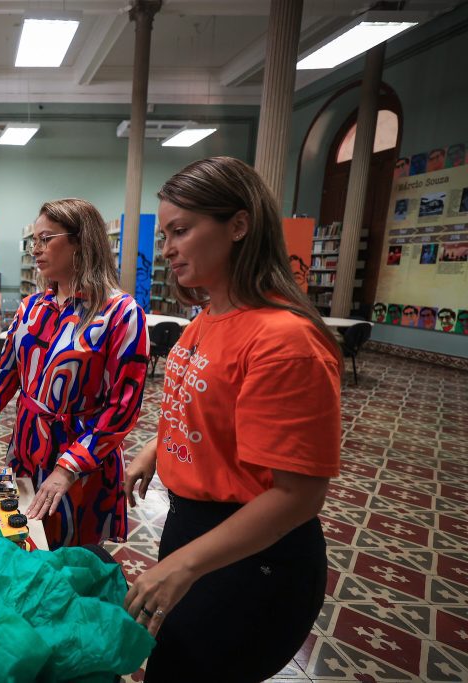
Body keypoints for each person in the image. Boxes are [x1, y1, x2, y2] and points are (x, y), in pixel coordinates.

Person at [123, 157, 341, 682]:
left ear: (238, 225)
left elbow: (299, 496)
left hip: (252, 556)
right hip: (193, 527)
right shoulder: (210, 316)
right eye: (167, 232)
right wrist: (155, 452)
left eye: (182, 231)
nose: (168, 247)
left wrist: (186, 564)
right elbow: (199, 402)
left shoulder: (284, 341)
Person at [0, 198, 149, 549]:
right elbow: (3, 375)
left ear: (81, 241)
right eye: (32, 241)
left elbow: (122, 408)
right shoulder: (32, 307)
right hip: (28, 446)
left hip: (82, 463)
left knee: (70, 551)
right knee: (24, 538)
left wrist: (69, 467)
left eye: (45, 239)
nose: (35, 249)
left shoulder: (122, 314)